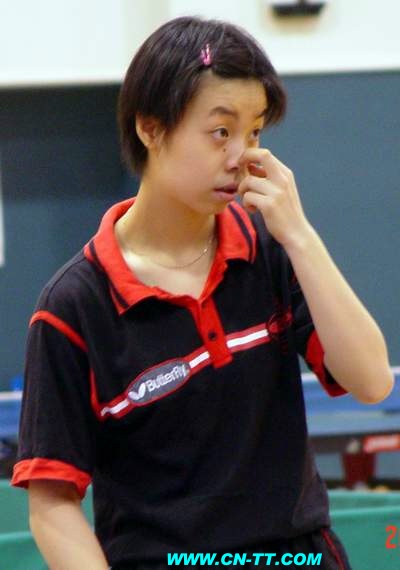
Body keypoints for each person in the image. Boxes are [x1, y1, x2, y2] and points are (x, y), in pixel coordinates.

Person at [11, 15, 393, 570]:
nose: (242, 156)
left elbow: (372, 380)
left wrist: (299, 235)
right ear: (150, 128)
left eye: (254, 132)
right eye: (220, 132)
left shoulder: (271, 250)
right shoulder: (74, 306)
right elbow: (52, 504)